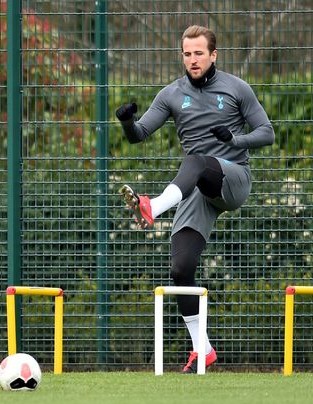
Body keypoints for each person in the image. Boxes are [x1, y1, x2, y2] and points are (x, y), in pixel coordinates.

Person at [115, 25, 274, 373]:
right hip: (195, 188)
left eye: (199, 53)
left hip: (232, 178)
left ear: (213, 54)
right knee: (180, 268)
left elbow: (267, 133)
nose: (192, 60)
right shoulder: (171, 93)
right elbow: (139, 134)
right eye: (186, 54)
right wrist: (127, 122)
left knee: (198, 160)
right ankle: (202, 349)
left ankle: (153, 206)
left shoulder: (237, 89)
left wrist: (234, 139)